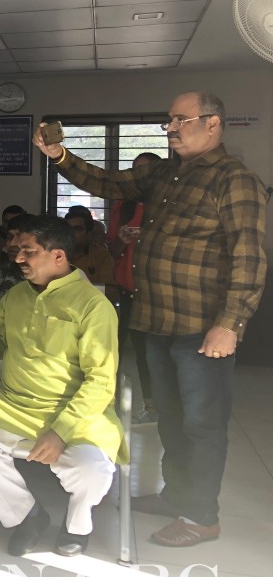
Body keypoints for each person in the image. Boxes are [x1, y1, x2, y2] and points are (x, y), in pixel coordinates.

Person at [34, 92, 267, 547]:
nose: (172, 127)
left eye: (182, 119)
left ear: (214, 124)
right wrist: (59, 155)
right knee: (170, 419)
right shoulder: (163, 172)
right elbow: (105, 182)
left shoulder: (234, 179)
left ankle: (201, 517)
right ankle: (175, 495)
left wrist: (231, 323)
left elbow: (249, 255)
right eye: (169, 120)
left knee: (202, 423)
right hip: (154, 322)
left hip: (202, 328)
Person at [0, 215, 125, 557]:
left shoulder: (93, 305)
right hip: (12, 404)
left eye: (27, 252)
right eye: (18, 251)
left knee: (92, 470)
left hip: (73, 412)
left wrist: (60, 432)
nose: (18, 259)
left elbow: (100, 381)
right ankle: (26, 514)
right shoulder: (15, 296)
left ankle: (78, 523)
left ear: (58, 256)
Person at [106, 152, 162, 424]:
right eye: (135, 170)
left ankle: (153, 407)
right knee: (109, 351)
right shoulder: (123, 206)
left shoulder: (165, 205)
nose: (140, 175)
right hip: (124, 291)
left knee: (148, 353)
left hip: (153, 294)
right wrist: (122, 239)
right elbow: (112, 251)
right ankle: (107, 403)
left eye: (147, 170)